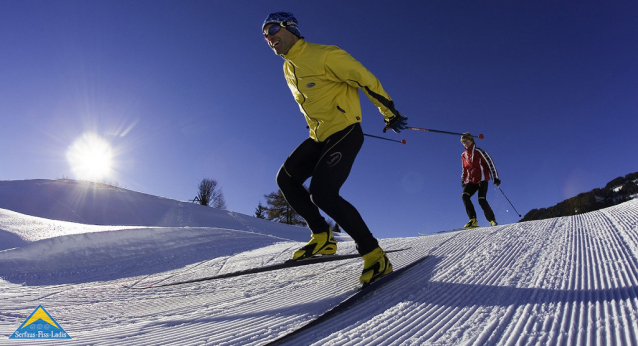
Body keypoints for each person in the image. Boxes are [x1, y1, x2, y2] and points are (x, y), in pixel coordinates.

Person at [262, 12, 408, 284]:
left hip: (345, 132)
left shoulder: (326, 54)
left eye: (271, 29)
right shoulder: (287, 67)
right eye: (265, 35)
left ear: (289, 27)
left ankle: (375, 255)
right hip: (319, 136)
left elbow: (364, 78)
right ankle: (322, 237)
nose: (268, 38)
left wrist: (390, 112)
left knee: (323, 194)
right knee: (286, 178)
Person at [460, 132, 501, 228]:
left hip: (482, 179)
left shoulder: (479, 151)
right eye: (463, 142)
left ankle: (492, 220)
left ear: (471, 141)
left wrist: (495, 177)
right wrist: (463, 180)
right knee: (465, 196)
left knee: (481, 200)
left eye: (466, 141)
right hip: (471, 181)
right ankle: (473, 220)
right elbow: (465, 168)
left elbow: (490, 163)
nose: (465, 144)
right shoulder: (463, 155)